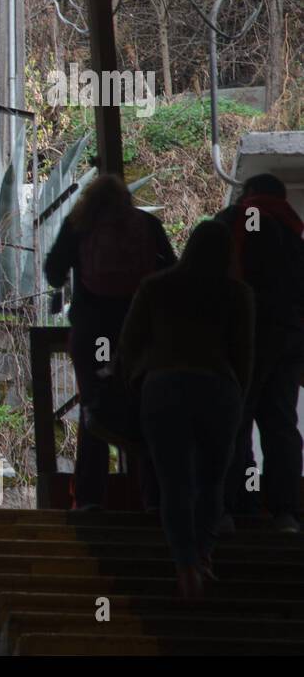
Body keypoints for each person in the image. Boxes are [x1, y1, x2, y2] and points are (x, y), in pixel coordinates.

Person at [118, 220, 254, 597]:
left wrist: (135, 383)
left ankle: (184, 566)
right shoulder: (237, 294)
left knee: (174, 482)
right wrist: (238, 398)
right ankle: (204, 555)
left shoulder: (156, 287)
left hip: (164, 387)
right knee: (213, 482)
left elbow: (129, 344)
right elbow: (244, 355)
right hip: (218, 388)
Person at [45, 174, 177, 508]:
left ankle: (90, 499)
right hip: (139, 332)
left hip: (94, 332)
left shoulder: (80, 224)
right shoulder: (147, 224)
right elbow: (172, 272)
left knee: (95, 409)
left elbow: (52, 271)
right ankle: (155, 500)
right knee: (145, 408)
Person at [215, 173, 304, 532]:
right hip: (288, 341)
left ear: (250, 192)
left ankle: (235, 506)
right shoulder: (294, 236)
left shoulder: (238, 219)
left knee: (235, 421)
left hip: (244, 337)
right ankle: (285, 512)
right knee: (280, 423)